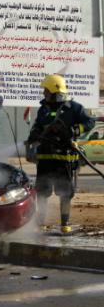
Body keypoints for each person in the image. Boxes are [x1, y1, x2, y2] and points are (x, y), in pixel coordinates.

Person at [27, 74, 95, 234]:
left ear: (54, 91)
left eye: (46, 90)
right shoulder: (43, 108)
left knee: (65, 192)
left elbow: (90, 122)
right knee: (42, 192)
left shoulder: (74, 108)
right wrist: (35, 134)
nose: (44, 93)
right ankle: (40, 223)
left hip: (64, 159)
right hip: (44, 158)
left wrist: (74, 130)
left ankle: (65, 223)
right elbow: (37, 125)